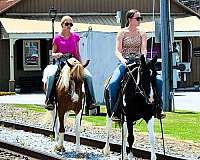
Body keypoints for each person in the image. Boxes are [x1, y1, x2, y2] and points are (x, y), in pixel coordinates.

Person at [108, 9, 166, 121]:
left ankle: (159, 107)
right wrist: (122, 60)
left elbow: (144, 49)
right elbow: (117, 50)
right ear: (130, 19)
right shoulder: (122, 33)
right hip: (126, 63)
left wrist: (143, 60)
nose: (140, 20)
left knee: (159, 80)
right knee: (113, 84)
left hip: (140, 62)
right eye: (137, 18)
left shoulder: (142, 33)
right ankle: (115, 111)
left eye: (140, 18)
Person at [44, 15, 96, 110]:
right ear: (62, 25)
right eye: (67, 24)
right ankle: (49, 100)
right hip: (61, 61)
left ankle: (91, 101)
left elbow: (77, 52)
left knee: (88, 76)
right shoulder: (57, 38)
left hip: (74, 62)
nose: (69, 26)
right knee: (51, 76)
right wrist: (58, 54)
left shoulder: (75, 37)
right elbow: (53, 53)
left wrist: (81, 65)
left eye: (70, 24)